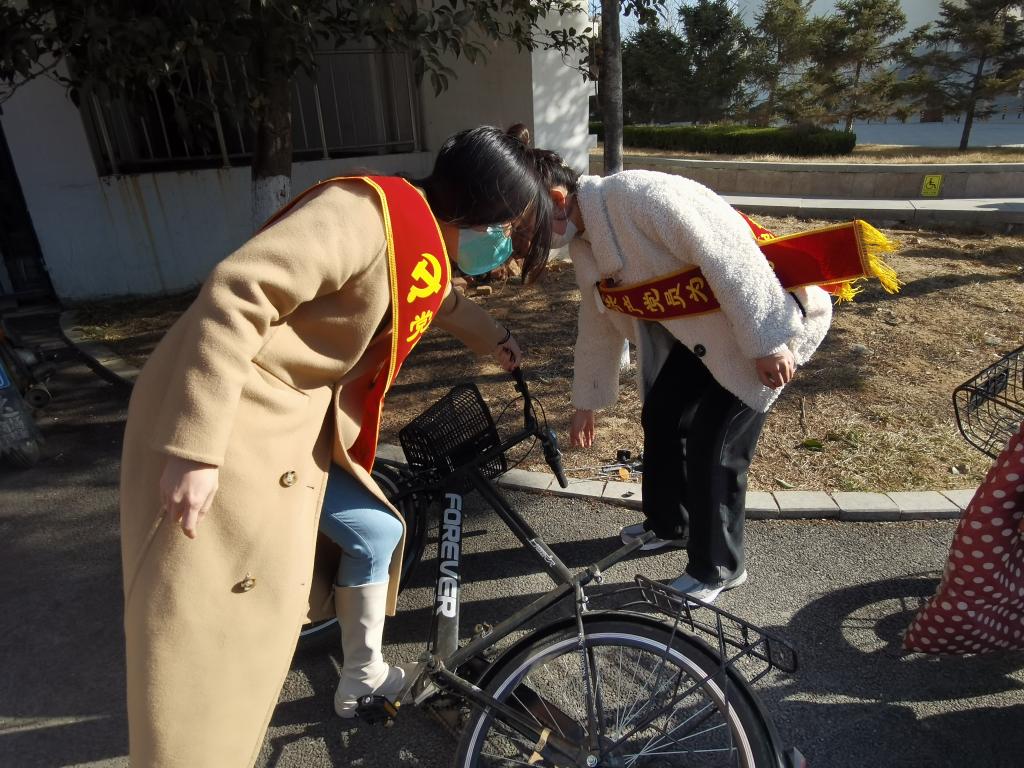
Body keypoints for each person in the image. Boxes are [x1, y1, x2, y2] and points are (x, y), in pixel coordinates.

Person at [119, 125, 552, 766]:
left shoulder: (421, 243)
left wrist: (498, 339)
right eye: (508, 232)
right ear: (477, 207)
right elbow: (238, 291)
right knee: (204, 640)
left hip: (293, 432)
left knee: (376, 530)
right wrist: (196, 447)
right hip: (228, 425)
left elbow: (443, 303)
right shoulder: (363, 213)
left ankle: (362, 673)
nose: (505, 249)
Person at [524, 152, 834, 603]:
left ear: (556, 201)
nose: (523, 242)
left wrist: (768, 342)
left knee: (716, 444)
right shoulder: (585, 242)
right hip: (708, 335)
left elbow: (730, 254)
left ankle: (718, 568)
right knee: (663, 413)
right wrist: (586, 402)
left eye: (524, 228)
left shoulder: (639, 196)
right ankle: (672, 523)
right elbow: (597, 322)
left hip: (770, 323)